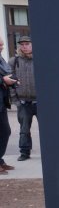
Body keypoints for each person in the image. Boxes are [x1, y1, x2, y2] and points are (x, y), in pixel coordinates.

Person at [9, 36, 36, 161]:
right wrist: (16, 101)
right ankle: (25, 153)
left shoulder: (40, 59)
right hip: (24, 103)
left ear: (32, 45)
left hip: (40, 102)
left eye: (27, 44)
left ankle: (51, 151)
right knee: (24, 130)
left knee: (48, 129)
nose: (24, 46)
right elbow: (10, 83)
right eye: (22, 44)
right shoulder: (14, 61)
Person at [0, 38, 16, 175]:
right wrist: (3, 80)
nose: (2, 47)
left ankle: (0, 160)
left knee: (5, 131)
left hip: (2, 102)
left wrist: (12, 81)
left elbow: (6, 74)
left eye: (2, 45)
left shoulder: (1, 60)